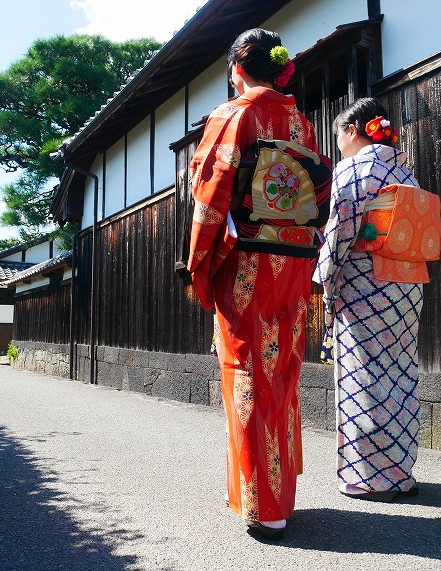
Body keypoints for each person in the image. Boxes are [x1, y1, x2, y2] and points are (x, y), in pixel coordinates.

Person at [188, 28, 330, 539]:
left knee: (247, 367)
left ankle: (263, 504)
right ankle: (277, 492)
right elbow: (315, 193)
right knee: (283, 369)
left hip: (248, 260)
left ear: (237, 70)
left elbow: (211, 195)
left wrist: (199, 263)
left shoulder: (235, 114)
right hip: (292, 260)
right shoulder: (299, 121)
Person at [313, 97, 438, 502]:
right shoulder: (404, 170)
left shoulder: (355, 167)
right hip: (407, 286)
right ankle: (400, 472)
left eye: (338, 136)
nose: (338, 145)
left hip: (367, 286)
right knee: (400, 374)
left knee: (363, 377)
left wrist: (324, 278)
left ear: (353, 131)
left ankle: (370, 477)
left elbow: (341, 230)